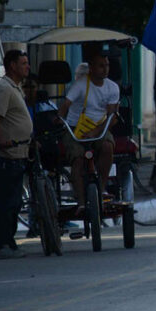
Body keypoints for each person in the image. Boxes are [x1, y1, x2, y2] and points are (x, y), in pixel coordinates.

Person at [56, 52, 119, 214]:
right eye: (101, 66)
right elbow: (65, 106)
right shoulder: (80, 85)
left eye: (107, 65)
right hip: (75, 129)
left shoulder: (112, 87)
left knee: (107, 146)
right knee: (77, 160)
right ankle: (81, 203)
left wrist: (96, 131)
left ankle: (102, 189)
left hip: (99, 128)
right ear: (91, 68)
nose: (105, 69)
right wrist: (60, 119)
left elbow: (112, 116)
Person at [0, 50, 32, 259]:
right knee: (6, 202)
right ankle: (0, 245)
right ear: (12, 65)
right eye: (23, 63)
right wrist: (2, 140)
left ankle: (9, 242)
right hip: (7, 156)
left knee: (14, 202)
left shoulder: (15, 88)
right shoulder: (3, 88)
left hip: (19, 153)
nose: (27, 67)